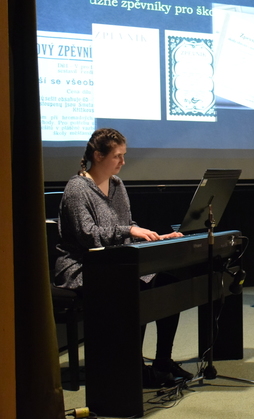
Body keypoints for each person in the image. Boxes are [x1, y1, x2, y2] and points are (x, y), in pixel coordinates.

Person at [54, 128, 192, 387]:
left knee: (168, 286)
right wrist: (128, 231)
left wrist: (153, 237)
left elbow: (127, 224)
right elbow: (88, 235)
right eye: (117, 156)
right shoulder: (77, 188)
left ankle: (163, 361)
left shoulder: (117, 184)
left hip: (115, 262)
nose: (123, 161)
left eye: (123, 155)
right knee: (136, 289)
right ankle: (132, 367)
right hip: (83, 266)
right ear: (98, 155)